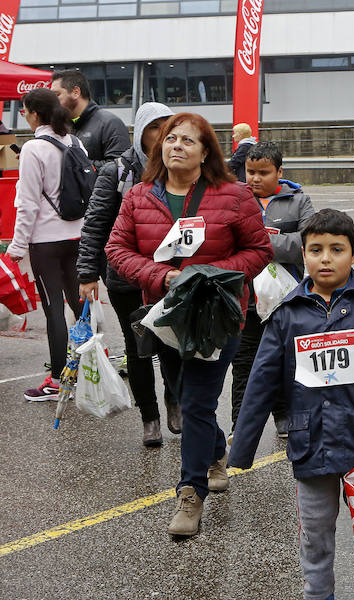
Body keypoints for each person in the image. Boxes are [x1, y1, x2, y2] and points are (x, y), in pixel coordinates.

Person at [229, 208, 354, 599]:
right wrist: (242, 448)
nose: (325, 258)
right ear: (303, 255)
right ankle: (318, 593)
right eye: (315, 250)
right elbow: (260, 382)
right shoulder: (286, 315)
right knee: (315, 535)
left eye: (336, 249)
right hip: (309, 444)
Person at [105, 113, 272, 536]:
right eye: (170, 139)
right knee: (181, 394)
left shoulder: (233, 196)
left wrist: (210, 276)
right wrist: (160, 276)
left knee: (196, 402)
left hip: (218, 319)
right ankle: (215, 451)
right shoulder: (139, 197)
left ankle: (190, 493)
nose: (177, 146)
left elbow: (259, 250)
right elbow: (116, 248)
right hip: (164, 320)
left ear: (205, 152)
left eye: (188, 141)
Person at [76, 102, 178, 447]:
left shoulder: (181, 168)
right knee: (138, 347)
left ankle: (174, 401)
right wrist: (88, 273)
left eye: (170, 128)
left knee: (171, 342)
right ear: (141, 132)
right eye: (155, 128)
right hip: (126, 276)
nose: (163, 136)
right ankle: (149, 417)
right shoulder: (117, 172)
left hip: (169, 275)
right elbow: (95, 226)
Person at [229, 141, 314, 441]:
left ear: (279, 171)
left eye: (263, 173)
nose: (254, 179)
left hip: (286, 299)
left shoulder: (299, 201)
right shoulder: (235, 199)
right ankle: (238, 426)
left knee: (285, 360)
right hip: (244, 298)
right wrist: (272, 245)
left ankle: (284, 415)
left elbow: (304, 246)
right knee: (242, 364)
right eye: (250, 172)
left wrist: (257, 244)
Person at [5, 88, 85, 401]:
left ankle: (56, 379)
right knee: (81, 307)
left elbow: (27, 206)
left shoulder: (33, 149)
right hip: (78, 234)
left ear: (36, 114)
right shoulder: (74, 141)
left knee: (54, 309)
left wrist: (16, 247)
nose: (23, 115)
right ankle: (89, 368)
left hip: (46, 242)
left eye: (25, 110)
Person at [50, 70, 130, 170]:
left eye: (56, 94)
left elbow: (120, 167)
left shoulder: (110, 123)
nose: (52, 100)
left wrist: (75, 164)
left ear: (76, 92)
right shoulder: (61, 126)